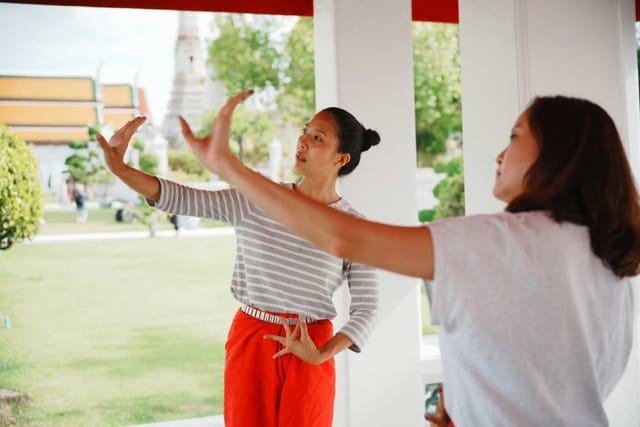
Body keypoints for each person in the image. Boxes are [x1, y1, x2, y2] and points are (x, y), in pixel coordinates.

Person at [140, 90, 637, 427]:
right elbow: (558, 380)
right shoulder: (609, 266)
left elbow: (342, 239)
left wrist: (227, 165)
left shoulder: (499, 239)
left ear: (559, 155)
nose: (499, 153)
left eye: (514, 135)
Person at [96, 96, 381, 427]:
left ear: (341, 158)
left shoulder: (355, 228)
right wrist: (119, 168)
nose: (302, 141)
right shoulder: (257, 199)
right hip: (251, 337)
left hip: (309, 345)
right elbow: (182, 197)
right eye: (305, 131)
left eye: (318, 137)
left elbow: (368, 307)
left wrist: (322, 353)